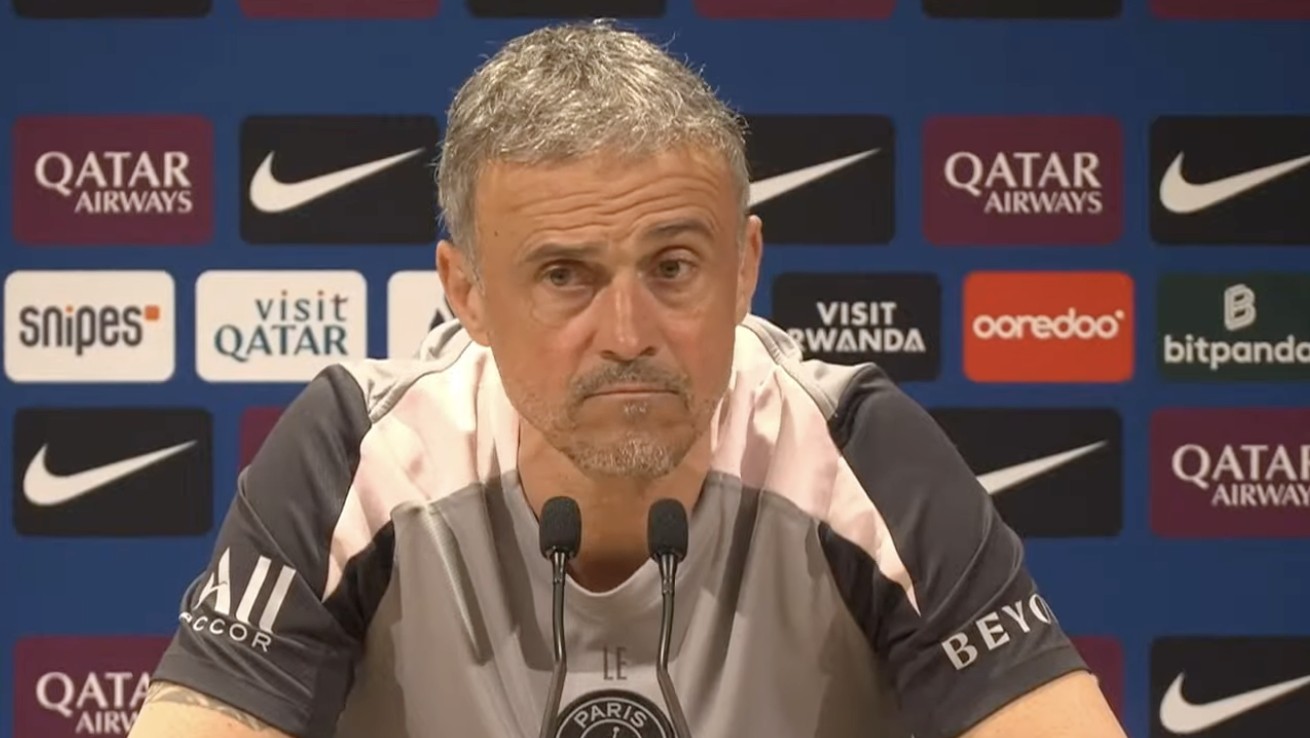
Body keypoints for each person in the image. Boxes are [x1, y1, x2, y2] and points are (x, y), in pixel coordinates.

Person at [128, 19, 1128, 738]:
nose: (626, 335)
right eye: (564, 276)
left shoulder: (856, 450)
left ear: (744, 268)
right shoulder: (358, 451)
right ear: (465, 293)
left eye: (673, 267)